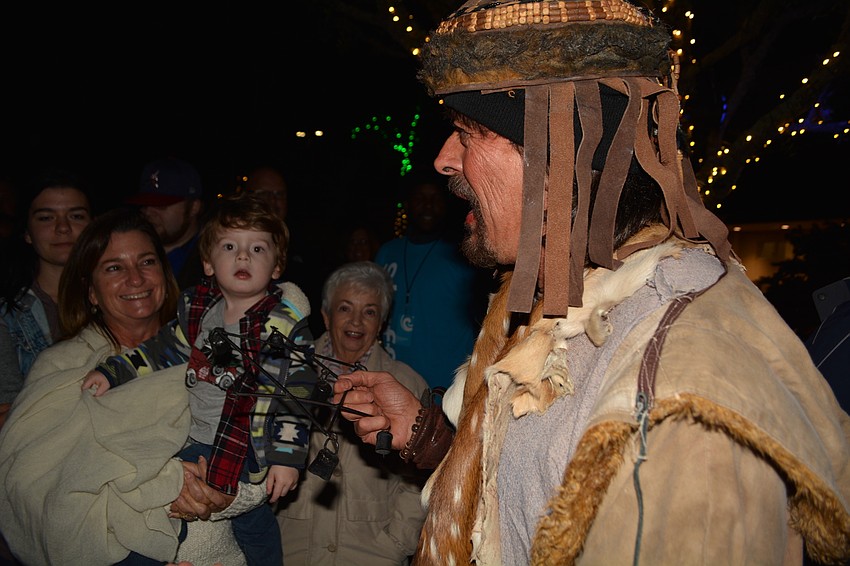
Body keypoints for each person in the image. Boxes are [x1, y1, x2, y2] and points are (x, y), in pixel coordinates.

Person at [332, 1, 850, 564]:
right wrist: (428, 435)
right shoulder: (573, 294)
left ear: (559, 153)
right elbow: (533, 496)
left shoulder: (678, 378)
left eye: (467, 132)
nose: (442, 160)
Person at [0, 209, 262, 565]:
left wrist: (229, 494)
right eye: (114, 267)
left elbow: (263, 450)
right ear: (91, 291)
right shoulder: (61, 368)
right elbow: (28, 488)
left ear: (165, 275)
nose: (136, 278)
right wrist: (165, 485)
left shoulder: (212, 350)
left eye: (147, 262)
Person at [82, 192, 318, 566]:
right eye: (229, 246)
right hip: (192, 436)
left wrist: (287, 459)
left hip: (244, 447)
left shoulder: (283, 326)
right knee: (161, 506)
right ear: (208, 262)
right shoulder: (198, 311)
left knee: (253, 525)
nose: (243, 256)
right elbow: (161, 350)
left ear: (277, 267)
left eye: (258, 249)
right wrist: (112, 372)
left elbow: (297, 395)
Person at [276, 261, 428, 565]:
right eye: (345, 308)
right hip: (291, 546)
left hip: (372, 551)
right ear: (326, 315)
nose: (356, 321)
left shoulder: (407, 385)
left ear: (382, 322)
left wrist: (397, 542)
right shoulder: (288, 372)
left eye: (370, 311)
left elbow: (421, 477)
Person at [374, 174, 489, 390]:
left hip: (445, 390)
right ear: (408, 204)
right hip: (392, 381)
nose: (428, 205)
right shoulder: (387, 253)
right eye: (420, 198)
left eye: (435, 198)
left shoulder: (464, 255)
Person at [0, 167, 92, 430]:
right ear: (27, 232)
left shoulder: (123, 295)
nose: (63, 228)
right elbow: (7, 414)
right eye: (46, 218)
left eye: (76, 216)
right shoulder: (8, 313)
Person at [244, 164, 322, 336]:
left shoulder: (307, 245)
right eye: (264, 194)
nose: (272, 201)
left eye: (279, 194)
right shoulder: (231, 246)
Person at [128, 156, 206, 291]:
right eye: (144, 204)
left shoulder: (215, 259)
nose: (148, 212)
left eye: (161, 205)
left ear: (194, 207)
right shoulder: (128, 251)